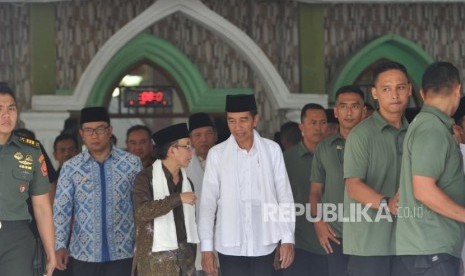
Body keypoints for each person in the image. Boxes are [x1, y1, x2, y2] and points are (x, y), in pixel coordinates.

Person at [199, 94, 295, 276]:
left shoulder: (272, 150)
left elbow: (283, 196)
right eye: (231, 121)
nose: (237, 127)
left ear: (255, 120)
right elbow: (208, 203)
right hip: (229, 244)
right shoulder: (217, 154)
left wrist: (287, 238)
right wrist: (206, 247)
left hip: (265, 242)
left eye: (243, 120)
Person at [394, 62, 465, 276]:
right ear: (458, 89)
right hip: (430, 249)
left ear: (423, 93)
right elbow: (423, 190)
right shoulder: (432, 128)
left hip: (429, 249)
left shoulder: (432, 126)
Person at [54, 106, 143, 276]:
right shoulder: (71, 167)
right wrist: (60, 245)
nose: (94, 135)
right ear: (82, 134)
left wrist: (141, 245)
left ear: (109, 131)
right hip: (84, 254)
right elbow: (62, 210)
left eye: (100, 129)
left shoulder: (132, 164)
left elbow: (140, 208)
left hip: (123, 252)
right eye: (89, 130)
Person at [343, 61, 411, 276]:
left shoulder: (416, 134)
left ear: (409, 90)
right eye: (386, 89)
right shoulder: (361, 135)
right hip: (369, 245)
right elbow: (353, 186)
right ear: (374, 93)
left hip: (408, 242)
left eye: (400, 87)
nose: (394, 95)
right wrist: (387, 204)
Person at [0, 83, 56, 276]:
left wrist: (51, 252)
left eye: (11, 108)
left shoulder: (31, 151)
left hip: (16, 237)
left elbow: (42, 207)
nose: (6, 115)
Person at [309, 86, 366, 276]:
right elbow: (316, 190)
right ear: (335, 111)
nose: (349, 112)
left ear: (364, 110)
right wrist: (317, 222)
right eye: (343, 106)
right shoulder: (324, 147)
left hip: (369, 233)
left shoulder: (374, 143)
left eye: (355, 106)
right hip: (335, 235)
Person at [132, 123, 199, 276]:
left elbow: (189, 224)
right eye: (187, 146)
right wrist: (177, 198)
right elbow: (142, 212)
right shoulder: (145, 178)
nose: (191, 152)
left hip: (185, 262)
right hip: (155, 263)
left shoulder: (187, 183)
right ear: (172, 150)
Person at [282, 103, 328, 276]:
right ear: (301, 126)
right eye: (313, 123)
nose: (318, 128)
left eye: (322, 123)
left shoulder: (337, 154)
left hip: (331, 241)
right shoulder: (286, 159)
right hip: (298, 244)